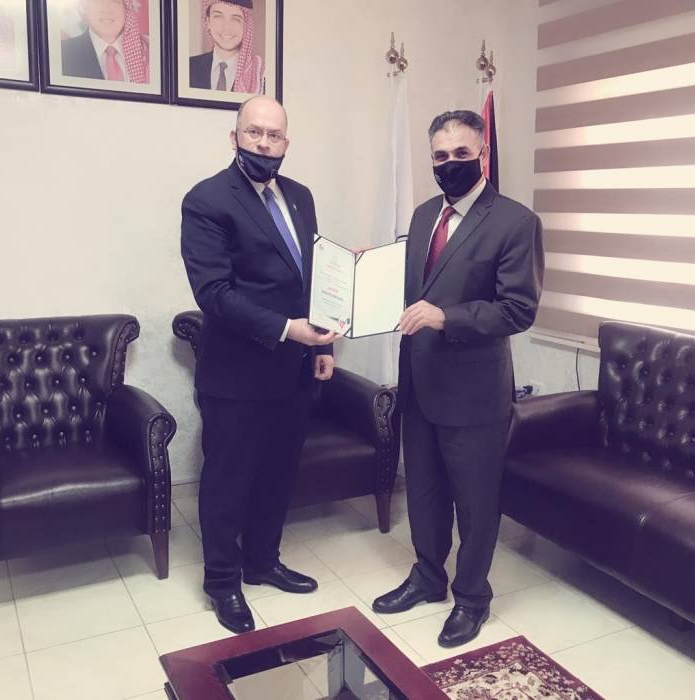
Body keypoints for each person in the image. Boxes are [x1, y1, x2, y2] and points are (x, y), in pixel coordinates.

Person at [373, 110, 544, 648]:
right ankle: (428, 577)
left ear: (483, 155)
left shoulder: (515, 222)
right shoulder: (426, 214)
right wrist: (364, 278)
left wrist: (446, 317)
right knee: (423, 494)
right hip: (419, 383)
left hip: (473, 393)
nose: (450, 164)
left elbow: (517, 309)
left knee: (474, 502)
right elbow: (413, 288)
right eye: (440, 156)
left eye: (462, 154)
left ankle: (472, 597)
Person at [181, 95, 336, 633]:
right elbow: (214, 292)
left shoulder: (301, 197)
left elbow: (311, 279)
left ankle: (263, 562)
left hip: (293, 371)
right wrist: (287, 329)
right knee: (228, 481)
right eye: (254, 133)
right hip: (236, 375)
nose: (264, 144)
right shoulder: (207, 200)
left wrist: (321, 347)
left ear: (286, 143)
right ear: (235, 137)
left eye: (274, 136)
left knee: (279, 472)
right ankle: (222, 582)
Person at [61, 0, 149, 82]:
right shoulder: (63, 53)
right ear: (84, 7)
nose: (107, 10)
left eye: (114, 1)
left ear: (127, 8)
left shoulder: (149, 51)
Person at [189, 0, 264, 93]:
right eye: (218, 17)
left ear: (246, 25)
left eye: (236, 19)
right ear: (208, 22)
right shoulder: (188, 68)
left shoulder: (259, 75)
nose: (226, 28)